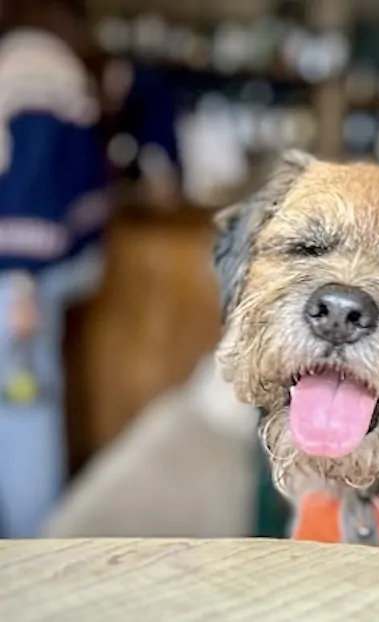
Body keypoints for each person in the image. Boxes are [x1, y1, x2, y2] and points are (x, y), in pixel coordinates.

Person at [0, 0, 182, 537]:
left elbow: (28, 190)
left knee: (22, 412)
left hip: (17, 277)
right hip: (41, 270)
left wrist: (23, 284)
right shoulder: (67, 60)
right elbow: (151, 94)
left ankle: (33, 553)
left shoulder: (29, 59)